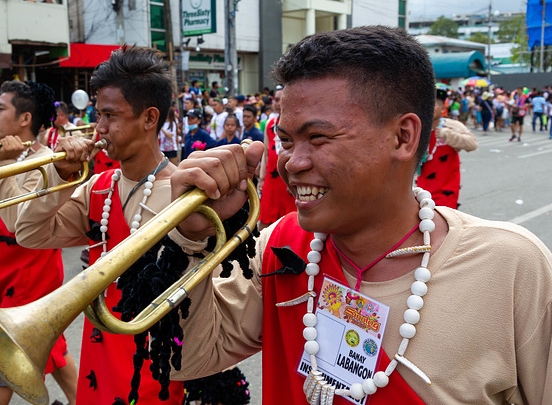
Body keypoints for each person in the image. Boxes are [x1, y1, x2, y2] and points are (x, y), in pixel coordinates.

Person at [167, 26, 552, 404]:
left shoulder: (511, 266)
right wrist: (190, 236)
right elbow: (183, 359)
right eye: (285, 141)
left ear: (403, 137)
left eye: (317, 137)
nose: (292, 162)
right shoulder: (280, 248)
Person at [14, 46, 185, 405]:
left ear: (149, 118)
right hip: (100, 347)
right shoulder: (99, 187)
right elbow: (29, 233)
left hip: (159, 358)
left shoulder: (185, 192)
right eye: (97, 114)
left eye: (110, 115)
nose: (99, 128)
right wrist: (59, 173)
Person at [0, 81, 77, 405]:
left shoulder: (46, 161)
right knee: (56, 356)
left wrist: (4, 167)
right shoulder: (5, 155)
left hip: (30, 280)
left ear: (25, 119)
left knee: (1, 372)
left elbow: (15, 224)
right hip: (7, 277)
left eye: (1, 108)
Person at [416, 87, 477, 209]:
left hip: (446, 190)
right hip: (422, 190)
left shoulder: (451, 125)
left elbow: (472, 144)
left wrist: (448, 134)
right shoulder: (417, 128)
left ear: (443, 108)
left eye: (433, 105)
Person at [257, 85, 296, 230]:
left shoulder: (296, 124)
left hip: (289, 180)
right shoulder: (269, 125)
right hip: (271, 180)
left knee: (291, 221)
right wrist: (262, 179)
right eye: (276, 100)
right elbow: (266, 153)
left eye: (282, 100)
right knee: (266, 218)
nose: (278, 103)